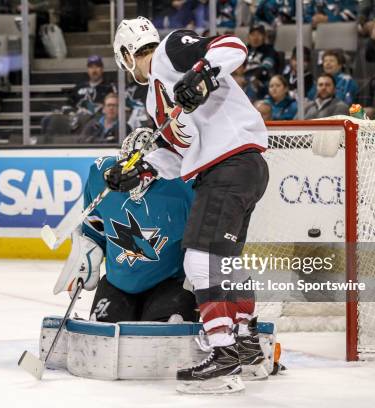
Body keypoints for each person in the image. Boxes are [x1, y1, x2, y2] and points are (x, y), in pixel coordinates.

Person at [110, 16, 269, 393]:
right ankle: (246, 343)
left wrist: (202, 74)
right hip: (237, 169)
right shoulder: (154, 97)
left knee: (199, 261)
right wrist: (141, 170)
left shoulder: (171, 50)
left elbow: (233, 46)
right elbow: (178, 156)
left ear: (125, 55)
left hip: (230, 165)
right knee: (223, 264)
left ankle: (223, 354)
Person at [56, 129, 197, 323]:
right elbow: (95, 228)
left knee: (168, 329)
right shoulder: (100, 176)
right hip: (118, 284)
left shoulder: (185, 185)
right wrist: (86, 257)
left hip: (170, 282)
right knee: (102, 330)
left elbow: (203, 237)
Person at [244, 24, 278, 100]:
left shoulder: (269, 51)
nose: (255, 38)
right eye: (252, 34)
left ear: (264, 37)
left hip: (261, 81)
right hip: (243, 80)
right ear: (248, 37)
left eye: (259, 34)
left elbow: (266, 67)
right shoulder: (244, 50)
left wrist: (253, 77)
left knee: (252, 85)